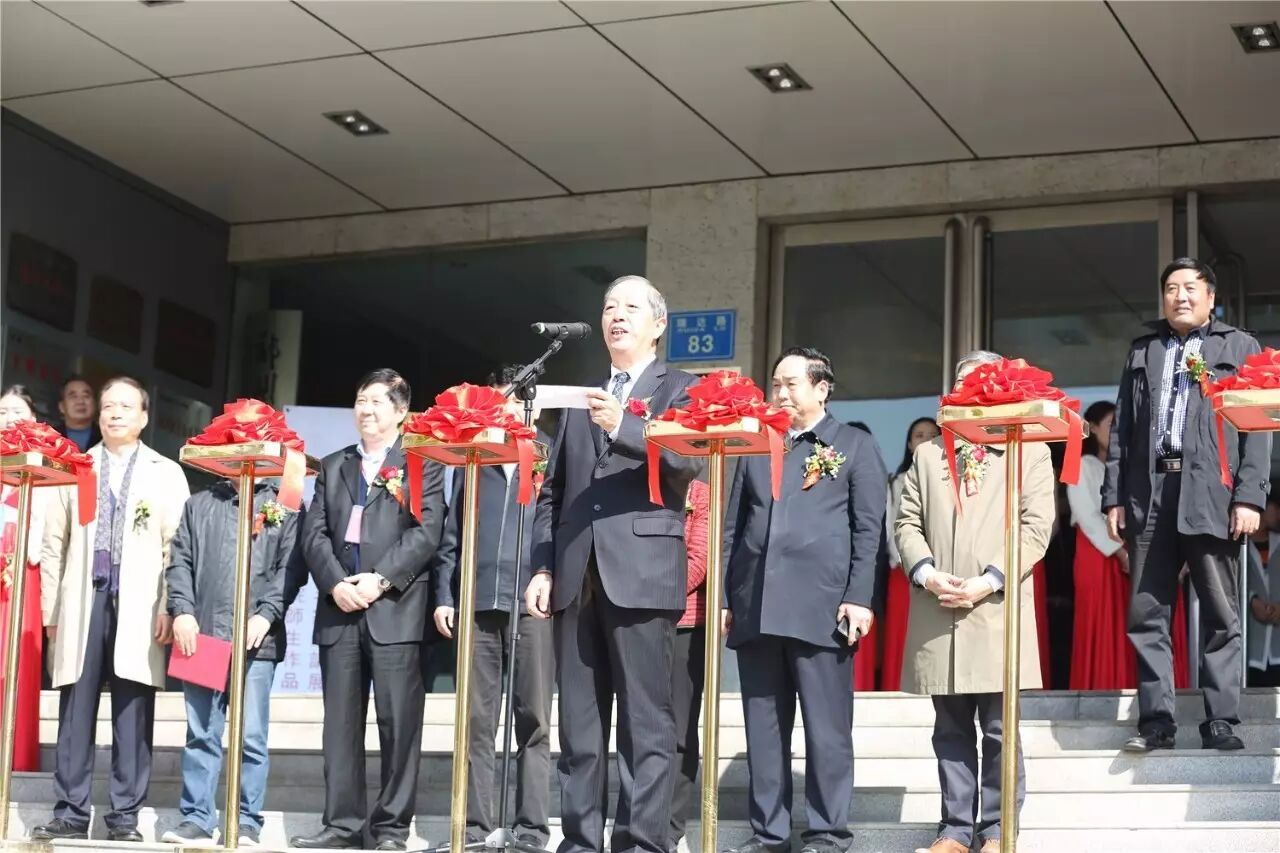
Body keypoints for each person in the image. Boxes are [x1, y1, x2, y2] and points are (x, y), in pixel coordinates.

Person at [526, 275, 701, 853]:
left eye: (629, 307)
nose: (616, 316)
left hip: (643, 573)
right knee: (580, 727)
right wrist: (543, 567)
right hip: (576, 576)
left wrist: (623, 426)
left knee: (646, 724)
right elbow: (552, 492)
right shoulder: (582, 397)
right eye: (608, 307)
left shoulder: (683, 388)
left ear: (658, 324)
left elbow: (685, 462)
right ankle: (580, 841)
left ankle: (641, 842)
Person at [722, 347, 887, 853]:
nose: (781, 393)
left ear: (821, 388)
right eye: (776, 384)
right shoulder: (757, 444)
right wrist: (727, 596)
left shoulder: (854, 444)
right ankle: (768, 833)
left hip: (823, 609)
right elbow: (733, 527)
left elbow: (869, 532)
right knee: (764, 730)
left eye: (791, 384)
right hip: (756, 606)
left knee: (826, 730)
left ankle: (827, 833)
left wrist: (859, 597)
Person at [1103, 258, 1270, 753]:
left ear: (1210, 297)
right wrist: (1113, 497)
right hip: (1150, 493)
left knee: (1221, 613)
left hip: (1211, 494)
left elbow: (1257, 430)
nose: (1180, 296)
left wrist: (1249, 496)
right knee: (1147, 613)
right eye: (1171, 288)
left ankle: (1221, 720)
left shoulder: (1239, 347)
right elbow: (1123, 431)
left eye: (1190, 287)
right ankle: (1156, 723)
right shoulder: (1143, 350)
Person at [895, 350, 1054, 853]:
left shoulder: (1027, 448)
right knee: (950, 727)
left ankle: (998, 830)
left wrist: (990, 579)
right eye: (963, 384)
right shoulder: (928, 454)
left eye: (983, 383)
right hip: (938, 606)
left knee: (1001, 728)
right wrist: (926, 572)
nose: (972, 392)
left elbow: (1037, 527)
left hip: (995, 607)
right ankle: (955, 830)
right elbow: (906, 522)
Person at [293, 369, 447, 851]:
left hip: (395, 611)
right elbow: (313, 534)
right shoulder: (334, 464)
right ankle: (341, 825)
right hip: (340, 610)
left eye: (376, 402)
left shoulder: (421, 462)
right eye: (361, 400)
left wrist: (380, 580)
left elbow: (427, 531)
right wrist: (336, 583)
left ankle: (391, 828)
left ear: (401, 412)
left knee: (399, 724)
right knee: (340, 725)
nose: (366, 409)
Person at [33, 377, 191, 842]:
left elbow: (177, 546)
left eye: (125, 406)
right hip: (83, 600)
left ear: (144, 416)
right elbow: (54, 544)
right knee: (75, 707)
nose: (114, 414)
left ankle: (124, 816)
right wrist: (51, 613)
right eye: (107, 407)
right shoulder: (76, 466)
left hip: (142, 603)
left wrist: (171, 604)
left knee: (133, 710)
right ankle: (70, 811)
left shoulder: (165, 472)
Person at [433, 367, 554, 850]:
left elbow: (557, 527)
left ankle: (531, 829)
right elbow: (452, 533)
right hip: (477, 600)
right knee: (475, 721)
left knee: (534, 719)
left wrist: (548, 578)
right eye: (500, 401)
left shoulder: (549, 456)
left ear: (533, 406)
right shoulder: (472, 457)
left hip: (531, 604)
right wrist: (446, 595)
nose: (508, 410)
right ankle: (474, 827)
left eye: (516, 400)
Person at [160, 476, 305, 846]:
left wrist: (267, 614)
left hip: (257, 640)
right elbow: (179, 561)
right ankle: (197, 818)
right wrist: (182, 610)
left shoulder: (285, 504)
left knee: (251, 737)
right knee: (201, 734)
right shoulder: (199, 504)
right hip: (202, 633)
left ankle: (246, 822)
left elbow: (291, 570)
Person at [1068, 401, 1189, 690]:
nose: (1117, 431)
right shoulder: (1082, 464)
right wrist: (1119, 552)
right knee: (1103, 626)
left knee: (1128, 626)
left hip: (1127, 553)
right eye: (1110, 424)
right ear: (1092, 428)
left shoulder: (1129, 467)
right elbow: (1086, 515)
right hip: (1099, 553)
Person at [0, 386, 50, 772]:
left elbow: (44, 537)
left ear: (33, 419)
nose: (9, 418)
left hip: (20, 577)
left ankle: (13, 756)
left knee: (14, 666)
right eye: (2, 412)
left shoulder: (45, 464)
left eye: (17, 411)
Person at [882, 417, 940, 691]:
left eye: (932, 435)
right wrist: (906, 562)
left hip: (943, 572)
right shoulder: (898, 481)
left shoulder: (948, 477)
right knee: (902, 633)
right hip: (904, 571)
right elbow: (891, 526)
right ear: (908, 444)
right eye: (919, 435)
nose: (926, 440)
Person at [668, 478, 708, 853]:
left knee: (680, 730)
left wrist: (650, 593)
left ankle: (671, 826)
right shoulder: (642, 487)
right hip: (640, 624)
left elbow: (699, 560)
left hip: (685, 623)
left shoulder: (700, 493)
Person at [1246, 493, 1280, 687]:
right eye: (1275, 506)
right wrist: (1251, 600)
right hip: (1250, 646)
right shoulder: (1238, 545)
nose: (1278, 513)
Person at [50, 376, 100, 453]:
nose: (80, 401)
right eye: (73, 397)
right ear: (62, 406)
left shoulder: (106, 436)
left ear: (94, 404)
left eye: (86, 396)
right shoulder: (50, 437)